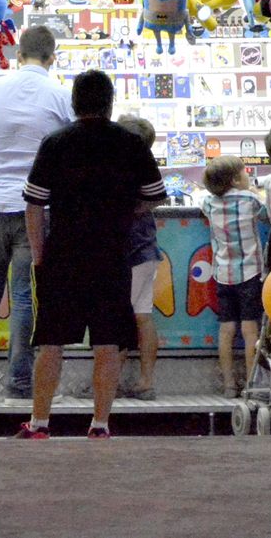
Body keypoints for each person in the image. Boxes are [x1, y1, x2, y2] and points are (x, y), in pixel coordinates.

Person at [20, 71, 164, 440]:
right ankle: (100, 423)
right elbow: (154, 194)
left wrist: (38, 254)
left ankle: (40, 422)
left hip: (63, 255)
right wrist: (126, 210)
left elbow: (34, 204)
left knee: (50, 341)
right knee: (108, 342)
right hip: (113, 255)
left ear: (74, 102)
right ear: (110, 102)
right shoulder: (130, 143)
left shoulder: (56, 142)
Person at [0, 25, 72, 404]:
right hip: (36, 209)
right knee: (25, 298)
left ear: (16, 55)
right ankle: (20, 388)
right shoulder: (60, 96)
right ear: (52, 58)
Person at [199, 157, 267, 397]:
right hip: (250, 272)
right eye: (245, 173)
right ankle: (251, 383)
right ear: (236, 180)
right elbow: (267, 212)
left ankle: (228, 384)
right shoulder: (250, 200)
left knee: (226, 330)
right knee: (251, 331)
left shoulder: (208, 203)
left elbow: (201, 203)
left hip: (222, 274)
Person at [115, 114, 162, 400]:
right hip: (146, 249)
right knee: (142, 316)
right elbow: (157, 197)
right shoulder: (146, 168)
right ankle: (146, 382)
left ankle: (111, 379)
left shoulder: (120, 169)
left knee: (118, 319)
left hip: (128, 253)